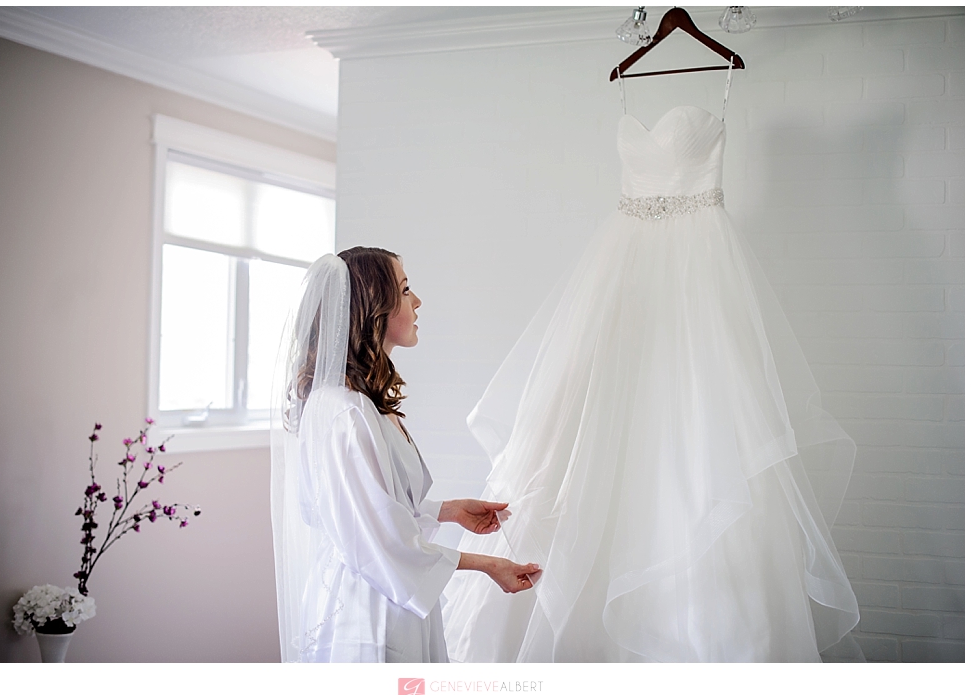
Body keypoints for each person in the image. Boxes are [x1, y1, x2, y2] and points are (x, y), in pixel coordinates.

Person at [443, 101, 862, 661]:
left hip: (700, 273)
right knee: (589, 424)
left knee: (698, 433)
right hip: (623, 281)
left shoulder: (718, 101)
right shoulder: (624, 91)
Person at [270, 247, 539, 663]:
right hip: (368, 613)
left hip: (382, 599)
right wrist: (489, 565)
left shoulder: (355, 404)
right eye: (405, 290)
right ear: (373, 308)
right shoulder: (346, 412)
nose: (418, 302)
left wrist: (448, 511)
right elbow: (380, 541)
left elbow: (372, 509)